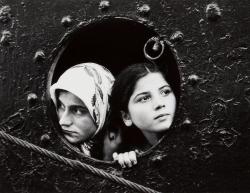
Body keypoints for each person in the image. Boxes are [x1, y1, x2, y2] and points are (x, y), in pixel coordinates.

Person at [109, 62, 179, 168]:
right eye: (144, 98)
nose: (159, 104)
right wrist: (128, 164)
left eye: (165, 92)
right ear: (126, 116)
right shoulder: (135, 154)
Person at [50, 62, 121, 160]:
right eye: (61, 106)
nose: (63, 121)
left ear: (102, 112)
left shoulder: (127, 151)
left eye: (78, 111)